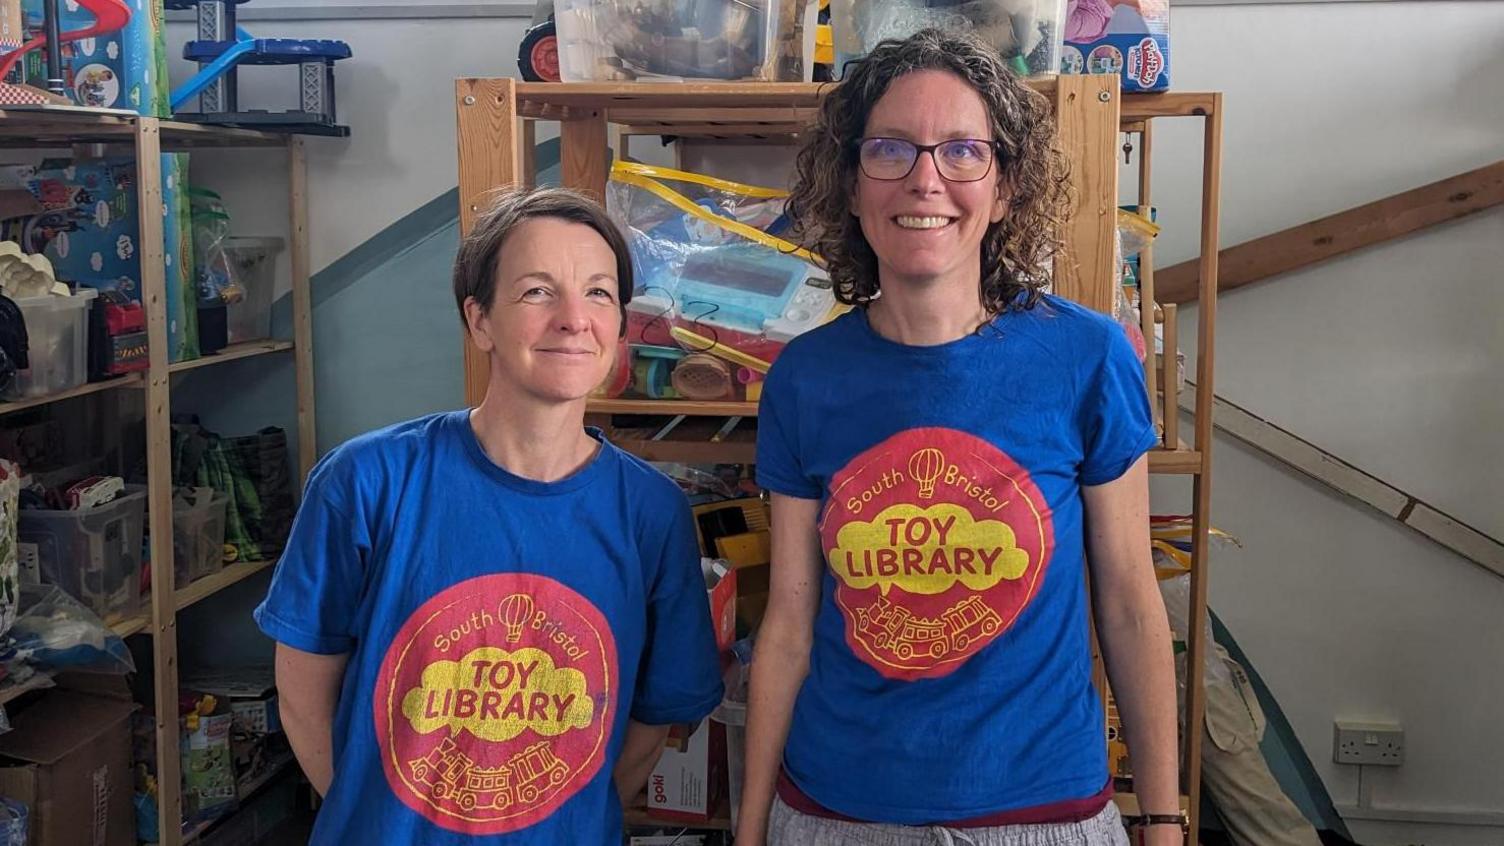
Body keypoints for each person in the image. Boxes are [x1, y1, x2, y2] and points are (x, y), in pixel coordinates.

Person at [739, 28, 1184, 846]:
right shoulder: (804, 378)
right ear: (850, 182)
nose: (925, 178)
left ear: (1007, 187)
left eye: (963, 151)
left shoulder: (1086, 357)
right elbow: (790, 623)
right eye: (889, 149)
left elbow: (1128, 600)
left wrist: (1161, 818)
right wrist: (750, 826)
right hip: (836, 814)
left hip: (1045, 815)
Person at [256, 186, 724, 845]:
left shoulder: (653, 514)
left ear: (619, 324)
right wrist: (386, 818)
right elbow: (303, 691)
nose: (573, 319)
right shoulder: (366, 482)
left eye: (597, 293)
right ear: (479, 321)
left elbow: (652, 725)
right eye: (537, 291)